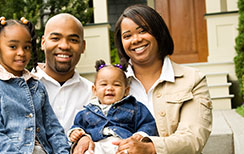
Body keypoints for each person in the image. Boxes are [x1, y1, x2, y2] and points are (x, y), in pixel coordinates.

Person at [75, 4, 212, 154]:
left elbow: (193, 138)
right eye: (127, 36)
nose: (136, 40)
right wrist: (82, 137)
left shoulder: (191, 79)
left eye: (143, 31)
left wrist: (149, 148)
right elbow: (90, 121)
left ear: (158, 32)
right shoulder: (111, 83)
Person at [0, 13, 93, 154]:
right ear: (43, 43)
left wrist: (84, 137)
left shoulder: (94, 92)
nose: (64, 45)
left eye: (73, 40)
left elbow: (55, 128)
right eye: (55, 38)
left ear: (83, 46)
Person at [68, 59, 157, 154]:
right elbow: (78, 125)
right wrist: (76, 132)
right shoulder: (87, 111)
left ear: (126, 90)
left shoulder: (134, 107)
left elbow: (148, 123)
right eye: (104, 84)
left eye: (116, 84)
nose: (109, 88)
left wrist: (140, 135)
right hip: (96, 144)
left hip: (121, 143)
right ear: (94, 90)